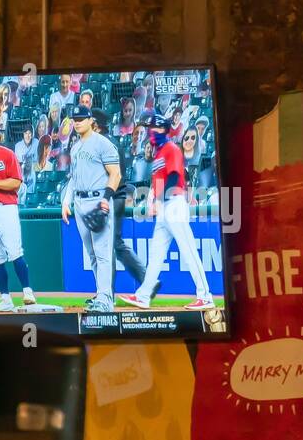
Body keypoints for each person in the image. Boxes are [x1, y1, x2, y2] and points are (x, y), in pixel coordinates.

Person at [119, 112, 215, 311]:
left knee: (188, 251)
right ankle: (144, 296)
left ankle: (205, 297)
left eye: (154, 127)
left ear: (163, 129)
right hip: (164, 208)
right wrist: (153, 199)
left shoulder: (171, 148)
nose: (151, 131)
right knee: (155, 254)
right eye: (150, 128)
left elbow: (173, 177)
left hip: (175, 204)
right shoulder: (159, 153)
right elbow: (159, 181)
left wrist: (159, 200)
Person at [60, 103, 121, 313]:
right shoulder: (75, 147)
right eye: (74, 120)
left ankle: (105, 300)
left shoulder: (103, 143)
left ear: (90, 121)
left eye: (81, 119)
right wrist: (66, 201)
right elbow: (73, 179)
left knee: (103, 253)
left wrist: (106, 199)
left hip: (98, 200)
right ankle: (102, 295)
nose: (77, 123)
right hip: (79, 202)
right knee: (92, 255)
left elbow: (116, 174)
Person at [0, 119, 36, 311]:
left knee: (14, 252)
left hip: (5, 207)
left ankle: (27, 291)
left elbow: (16, 183)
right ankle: (5, 298)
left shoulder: (7, 154)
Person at [91, 108, 147, 293]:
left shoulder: (101, 144)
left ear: (95, 125)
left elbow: (109, 176)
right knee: (115, 244)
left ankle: (108, 293)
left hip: (111, 198)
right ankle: (146, 282)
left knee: (108, 247)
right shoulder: (113, 142)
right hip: (118, 197)